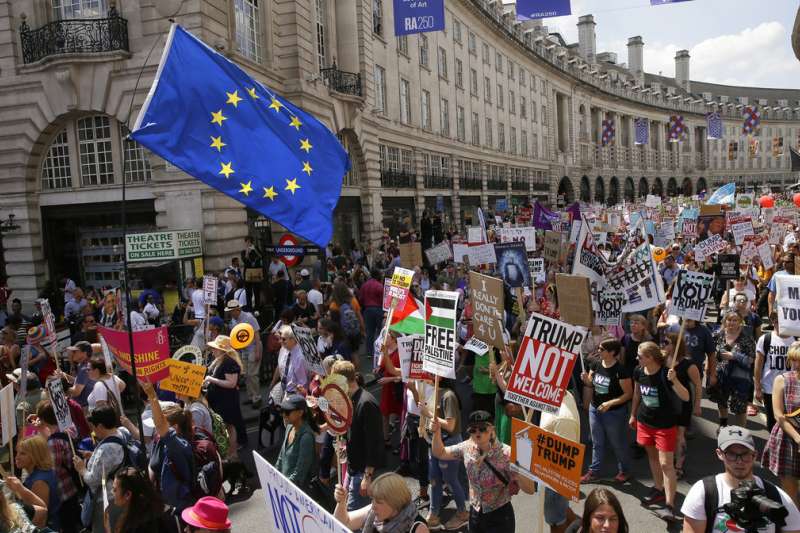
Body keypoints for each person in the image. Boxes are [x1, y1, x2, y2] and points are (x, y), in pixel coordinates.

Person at [682, 426, 800, 533]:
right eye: (732, 454)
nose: (739, 461)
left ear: (755, 455)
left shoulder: (775, 495)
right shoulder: (704, 492)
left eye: (745, 454)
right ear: (720, 454)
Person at [430, 410, 531, 532]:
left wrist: (522, 468)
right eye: (473, 429)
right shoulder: (466, 447)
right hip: (475, 514)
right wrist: (436, 432)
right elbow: (440, 452)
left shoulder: (507, 454)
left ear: (492, 429)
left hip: (499, 517)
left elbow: (529, 490)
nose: (477, 432)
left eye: (482, 428)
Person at [629, 340, 690, 521]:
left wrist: (675, 380)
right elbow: (637, 394)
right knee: (653, 457)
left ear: (650, 358)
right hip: (645, 422)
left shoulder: (666, 374)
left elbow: (685, 396)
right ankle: (658, 488)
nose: (636, 358)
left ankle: (670, 506)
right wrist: (632, 414)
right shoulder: (639, 371)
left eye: (640, 356)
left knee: (666, 464)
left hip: (664, 426)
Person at [331, 360, 384, 512]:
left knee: (354, 517)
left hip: (362, 473)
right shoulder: (351, 400)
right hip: (353, 468)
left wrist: (367, 477)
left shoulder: (366, 403)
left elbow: (375, 442)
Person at [141, 381, 194, 523]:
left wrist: (152, 395)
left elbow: (161, 426)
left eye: (158, 426)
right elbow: (152, 464)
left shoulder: (180, 446)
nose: (155, 430)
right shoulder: (160, 440)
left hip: (182, 510)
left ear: (175, 427)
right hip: (164, 508)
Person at [580, 338, 632, 484]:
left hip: (614, 412)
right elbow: (590, 384)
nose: (598, 351)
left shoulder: (620, 371)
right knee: (597, 442)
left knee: (617, 443)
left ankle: (624, 470)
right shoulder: (595, 364)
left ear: (612, 352)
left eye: (601, 349)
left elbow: (628, 394)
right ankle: (594, 471)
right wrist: (585, 380)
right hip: (595, 409)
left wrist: (610, 403)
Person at [74, 405, 132, 533]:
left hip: (106, 500)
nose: (93, 430)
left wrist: (82, 469)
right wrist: (93, 455)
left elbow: (93, 480)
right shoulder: (121, 433)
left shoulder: (106, 449)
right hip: (119, 493)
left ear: (100, 426)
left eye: (93, 426)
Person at [420, 378, 468, 531]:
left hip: (449, 443)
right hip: (435, 442)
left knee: (450, 479)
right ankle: (434, 513)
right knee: (434, 479)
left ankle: (462, 513)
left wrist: (428, 414)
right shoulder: (435, 392)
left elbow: (451, 425)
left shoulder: (448, 396)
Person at [34, 399, 81, 533]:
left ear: (43, 419)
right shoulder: (68, 427)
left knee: (68, 526)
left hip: (63, 492)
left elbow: (51, 470)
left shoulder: (53, 442)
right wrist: (34, 427)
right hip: (72, 487)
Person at [763, 341, 800, 507]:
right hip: (788, 438)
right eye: (793, 359)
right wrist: (798, 438)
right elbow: (778, 414)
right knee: (790, 494)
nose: (796, 364)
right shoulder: (782, 380)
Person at [333, 472, 429, 533]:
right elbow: (343, 522)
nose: (373, 506)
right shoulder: (373, 511)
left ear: (394, 502)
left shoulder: (418, 529)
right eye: (373, 499)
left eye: (378, 501)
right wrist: (341, 502)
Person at [663, 332, 702, 480]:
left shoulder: (688, 364)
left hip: (681, 403)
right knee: (669, 432)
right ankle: (669, 457)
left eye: (667, 342)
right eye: (663, 342)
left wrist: (697, 405)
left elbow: (698, 385)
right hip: (666, 403)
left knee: (679, 435)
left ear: (675, 345)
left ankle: (678, 465)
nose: (663, 345)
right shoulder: (663, 359)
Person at [710, 312, 756, 429]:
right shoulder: (717, 335)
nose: (731, 322)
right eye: (729, 320)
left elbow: (751, 360)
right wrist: (711, 373)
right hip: (721, 375)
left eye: (735, 320)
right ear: (725, 321)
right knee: (721, 402)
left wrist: (734, 356)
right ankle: (723, 425)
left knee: (740, 407)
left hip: (740, 378)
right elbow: (710, 355)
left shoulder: (747, 338)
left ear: (740, 322)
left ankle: (741, 431)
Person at [204, 335, 246, 455]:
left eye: (215, 348)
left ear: (223, 350)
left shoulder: (229, 362)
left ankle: (232, 453)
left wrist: (211, 380)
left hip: (227, 401)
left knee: (229, 427)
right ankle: (228, 452)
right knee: (223, 427)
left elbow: (231, 384)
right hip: (219, 400)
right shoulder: (219, 360)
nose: (212, 350)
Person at [755, 313, 797, 433]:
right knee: (773, 421)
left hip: (791, 387)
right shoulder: (766, 339)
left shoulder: (795, 340)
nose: (777, 322)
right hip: (770, 387)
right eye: (774, 319)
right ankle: (773, 445)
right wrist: (757, 387)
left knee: (792, 420)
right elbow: (758, 365)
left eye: (781, 319)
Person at [16, 436, 61, 530]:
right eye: (17, 453)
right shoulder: (39, 473)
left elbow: (39, 519)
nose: (17, 457)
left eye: (23, 454)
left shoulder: (39, 482)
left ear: (35, 455)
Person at [275, 394, 318, 492]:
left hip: (296, 491)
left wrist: (285, 487)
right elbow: (281, 456)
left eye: (287, 412)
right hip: (285, 485)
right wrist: (275, 474)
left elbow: (300, 472)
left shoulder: (306, 437)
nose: (283, 415)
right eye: (282, 411)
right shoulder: (289, 427)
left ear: (300, 413)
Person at [225, 300, 263, 408]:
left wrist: (257, 351)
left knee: (252, 374)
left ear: (238, 309)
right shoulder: (233, 321)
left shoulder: (249, 318)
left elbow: (257, 335)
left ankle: (257, 397)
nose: (231, 313)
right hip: (243, 350)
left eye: (232, 311)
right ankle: (251, 397)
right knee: (246, 374)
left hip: (253, 347)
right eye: (230, 311)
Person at [110, 467, 167, 533]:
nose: (112, 492)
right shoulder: (153, 510)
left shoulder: (137, 527)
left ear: (128, 495)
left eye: (114, 490)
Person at [357, 269, 385, 364]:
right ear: (378, 276)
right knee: (381, 331)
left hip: (367, 310)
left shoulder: (364, 285)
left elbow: (360, 298)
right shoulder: (379, 286)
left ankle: (369, 352)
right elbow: (383, 300)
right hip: (378, 309)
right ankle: (381, 351)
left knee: (369, 332)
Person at [62, 341, 96, 410]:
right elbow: (79, 382)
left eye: (75, 351)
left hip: (85, 407)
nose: (72, 353)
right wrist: (65, 375)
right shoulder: (82, 365)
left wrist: (63, 386)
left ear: (84, 353)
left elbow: (76, 392)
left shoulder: (84, 368)